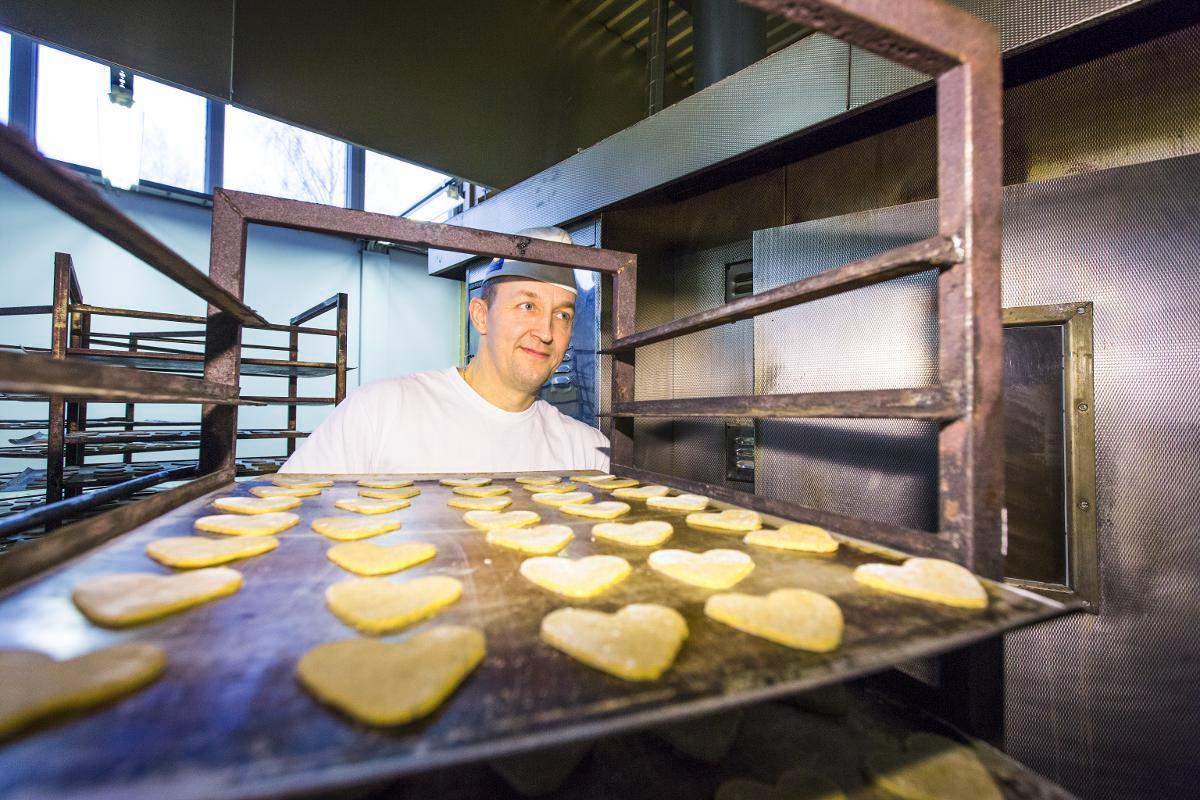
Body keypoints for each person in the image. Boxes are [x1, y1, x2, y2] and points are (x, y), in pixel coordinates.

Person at [278, 226, 610, 474]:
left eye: (562, 315)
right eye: (527, 306)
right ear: (481, 315)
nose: (545, 331)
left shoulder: (586, 451)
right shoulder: (381, 411)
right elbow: (288, 523)